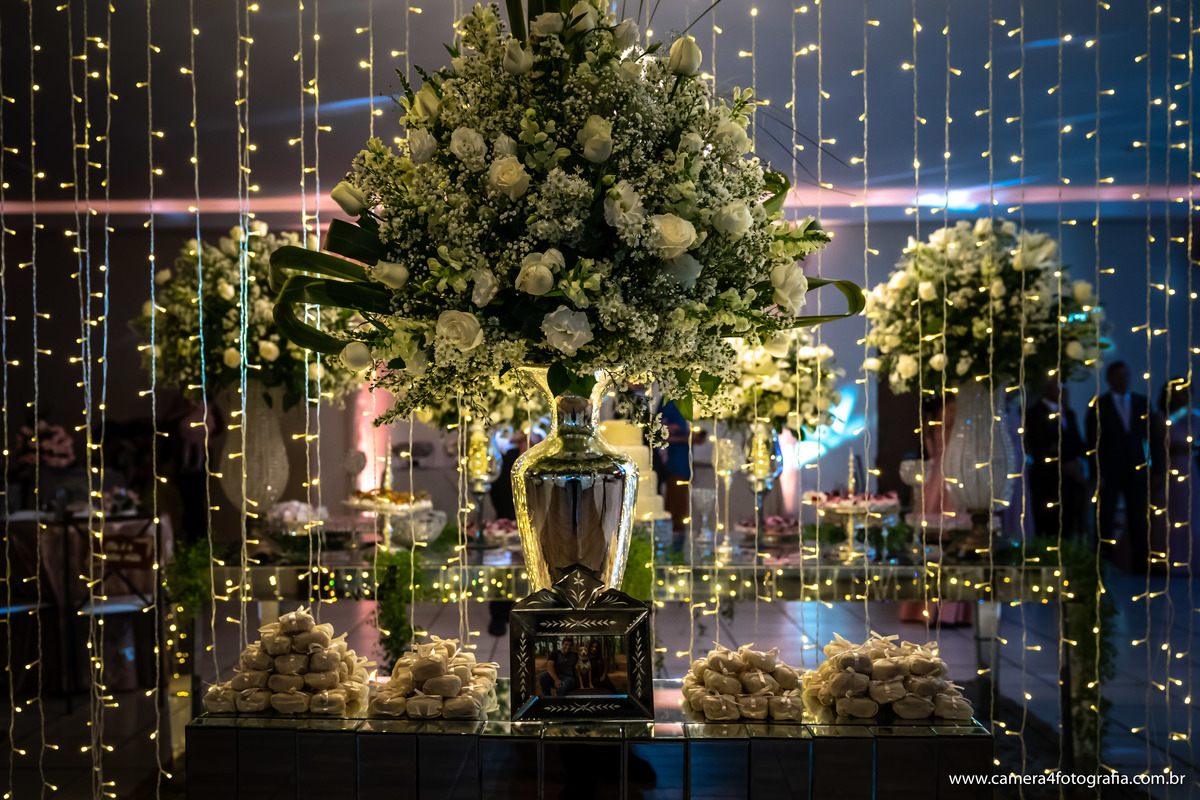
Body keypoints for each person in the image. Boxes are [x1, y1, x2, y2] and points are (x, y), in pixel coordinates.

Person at [1086, 361, 1150, 571]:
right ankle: (1102, 562)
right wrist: (1097, 473)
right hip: (1109, 470)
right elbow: (1092, 443)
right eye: (1118, 376)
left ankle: (1141, 562)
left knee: (1138, 517)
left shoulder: (1141, 403)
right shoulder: (1099, 405)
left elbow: (1154, 438)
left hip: (1136, 469)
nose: (1123, 380)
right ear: (1109, 379)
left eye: (1125, 376)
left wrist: (1154, 467)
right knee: (1105, 516)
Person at [1025, 378, 1088, 540]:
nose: (1064, 391)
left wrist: (1077, 463)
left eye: (1065, 387)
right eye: (1059, 387)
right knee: (1047, 524)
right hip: (1047, 480)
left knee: (1066, 524)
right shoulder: (1035, 413)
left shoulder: (1069, 413)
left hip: (1069, 481)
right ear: (1046, 389)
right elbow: (1040, 445)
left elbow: (1078, 443)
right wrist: (1061, 462)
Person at [1149, 378, 1198, 573]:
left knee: (1190, 513)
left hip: (1189, 469)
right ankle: (1167, 560)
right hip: (1170, 470)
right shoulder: (1162, 417)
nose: (1183, 396)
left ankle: (1190, 560)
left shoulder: (1195, 417)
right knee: (1168, 513)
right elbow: (1163, 444)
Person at [653, 400, 707, 542]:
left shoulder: (685, 401)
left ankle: (675, 549)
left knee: (680, 514)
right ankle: (671, 551)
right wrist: (688, 438)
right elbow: (660, 435)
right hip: (673, 464)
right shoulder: (669, 402)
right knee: (675, 515)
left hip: (683, 464)